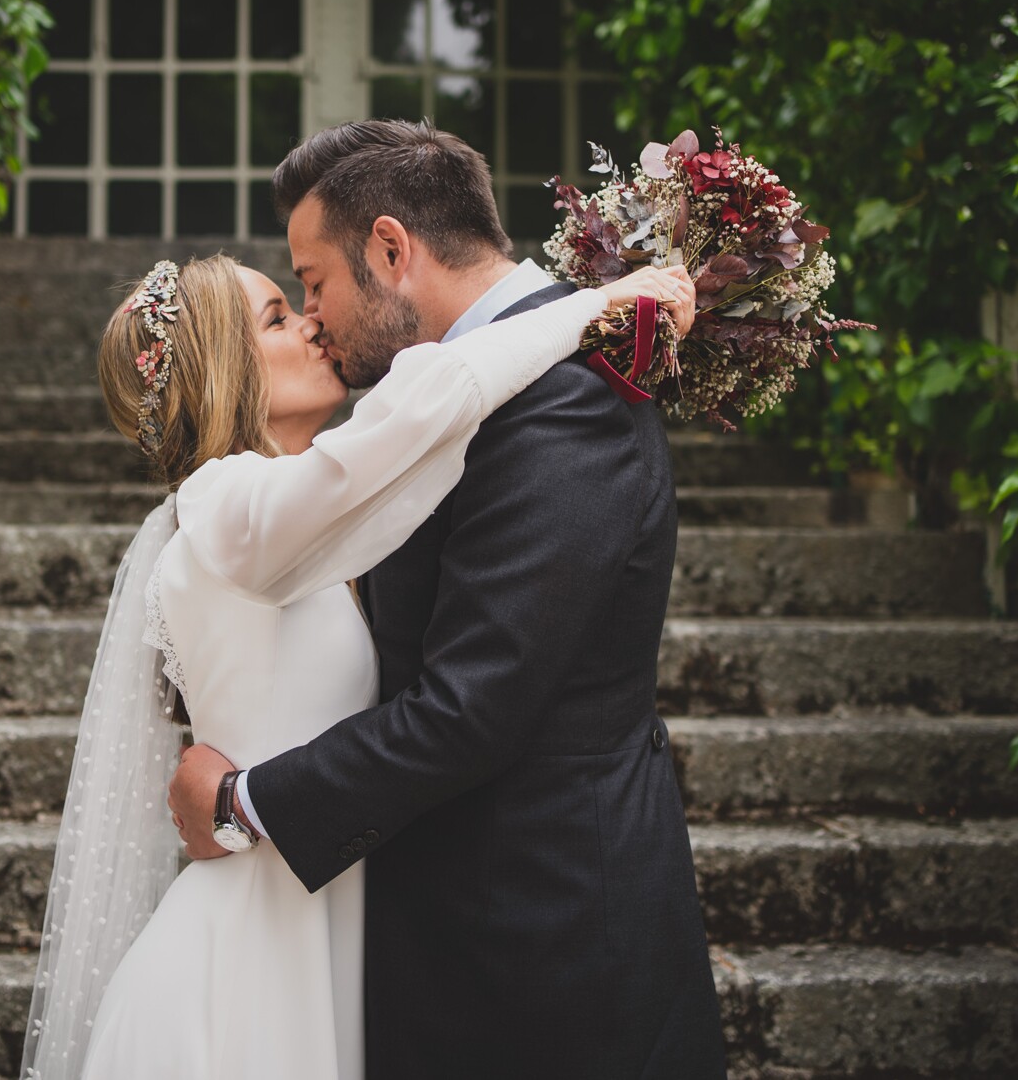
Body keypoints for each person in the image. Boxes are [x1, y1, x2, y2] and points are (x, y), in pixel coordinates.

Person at [19, 233, 695, 1076]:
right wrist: (590, 306)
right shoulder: (222, 504)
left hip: (345, 927)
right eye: (276, 315)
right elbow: (428, 400)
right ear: (226, 368)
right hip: (254, 961)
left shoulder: (310, 524)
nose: (311, 324)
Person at [166, 121, 727, 1080]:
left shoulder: (567, 398)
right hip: (459, 937)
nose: (314, 317)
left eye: (314, 282)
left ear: (391, 250)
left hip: (546, 946)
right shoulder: (465, 387)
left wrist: (243, 801)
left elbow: (473, 704)